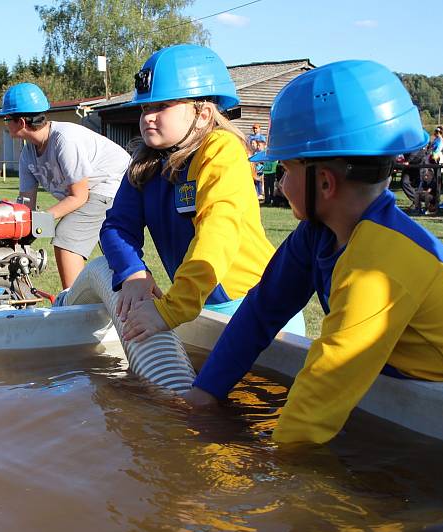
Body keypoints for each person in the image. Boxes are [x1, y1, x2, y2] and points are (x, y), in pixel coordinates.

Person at [184, 60, 443, 445]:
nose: (279, 183)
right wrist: (203, 394)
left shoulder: (382, 261)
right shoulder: (317, 235)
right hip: (410, 395)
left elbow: (324, 386)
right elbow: (261, 311)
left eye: (284, 170)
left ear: (323, 182)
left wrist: (270, 470)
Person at [100, 44, 304, 343]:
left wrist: (173, 308)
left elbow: (216, 232)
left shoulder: (221, 150)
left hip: (257, 302)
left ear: (204, 113)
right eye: (144, 108)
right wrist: (132, 273)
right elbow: (117, 226)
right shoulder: (145, 164)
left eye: (161, 106)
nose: (148, 117)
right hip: (201, 306)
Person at [0, 82, 131, 289]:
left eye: (7, 118)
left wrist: (39, 223)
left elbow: (79, 196)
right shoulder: (27, 153)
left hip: (114, 185)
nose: (5, 123)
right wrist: (17, 230)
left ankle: (73, 306)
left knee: (66, 237)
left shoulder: (64, 140)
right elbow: (26, 203)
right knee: (118, 257)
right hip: (91, 192)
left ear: (22, 122)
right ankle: (137, 299)